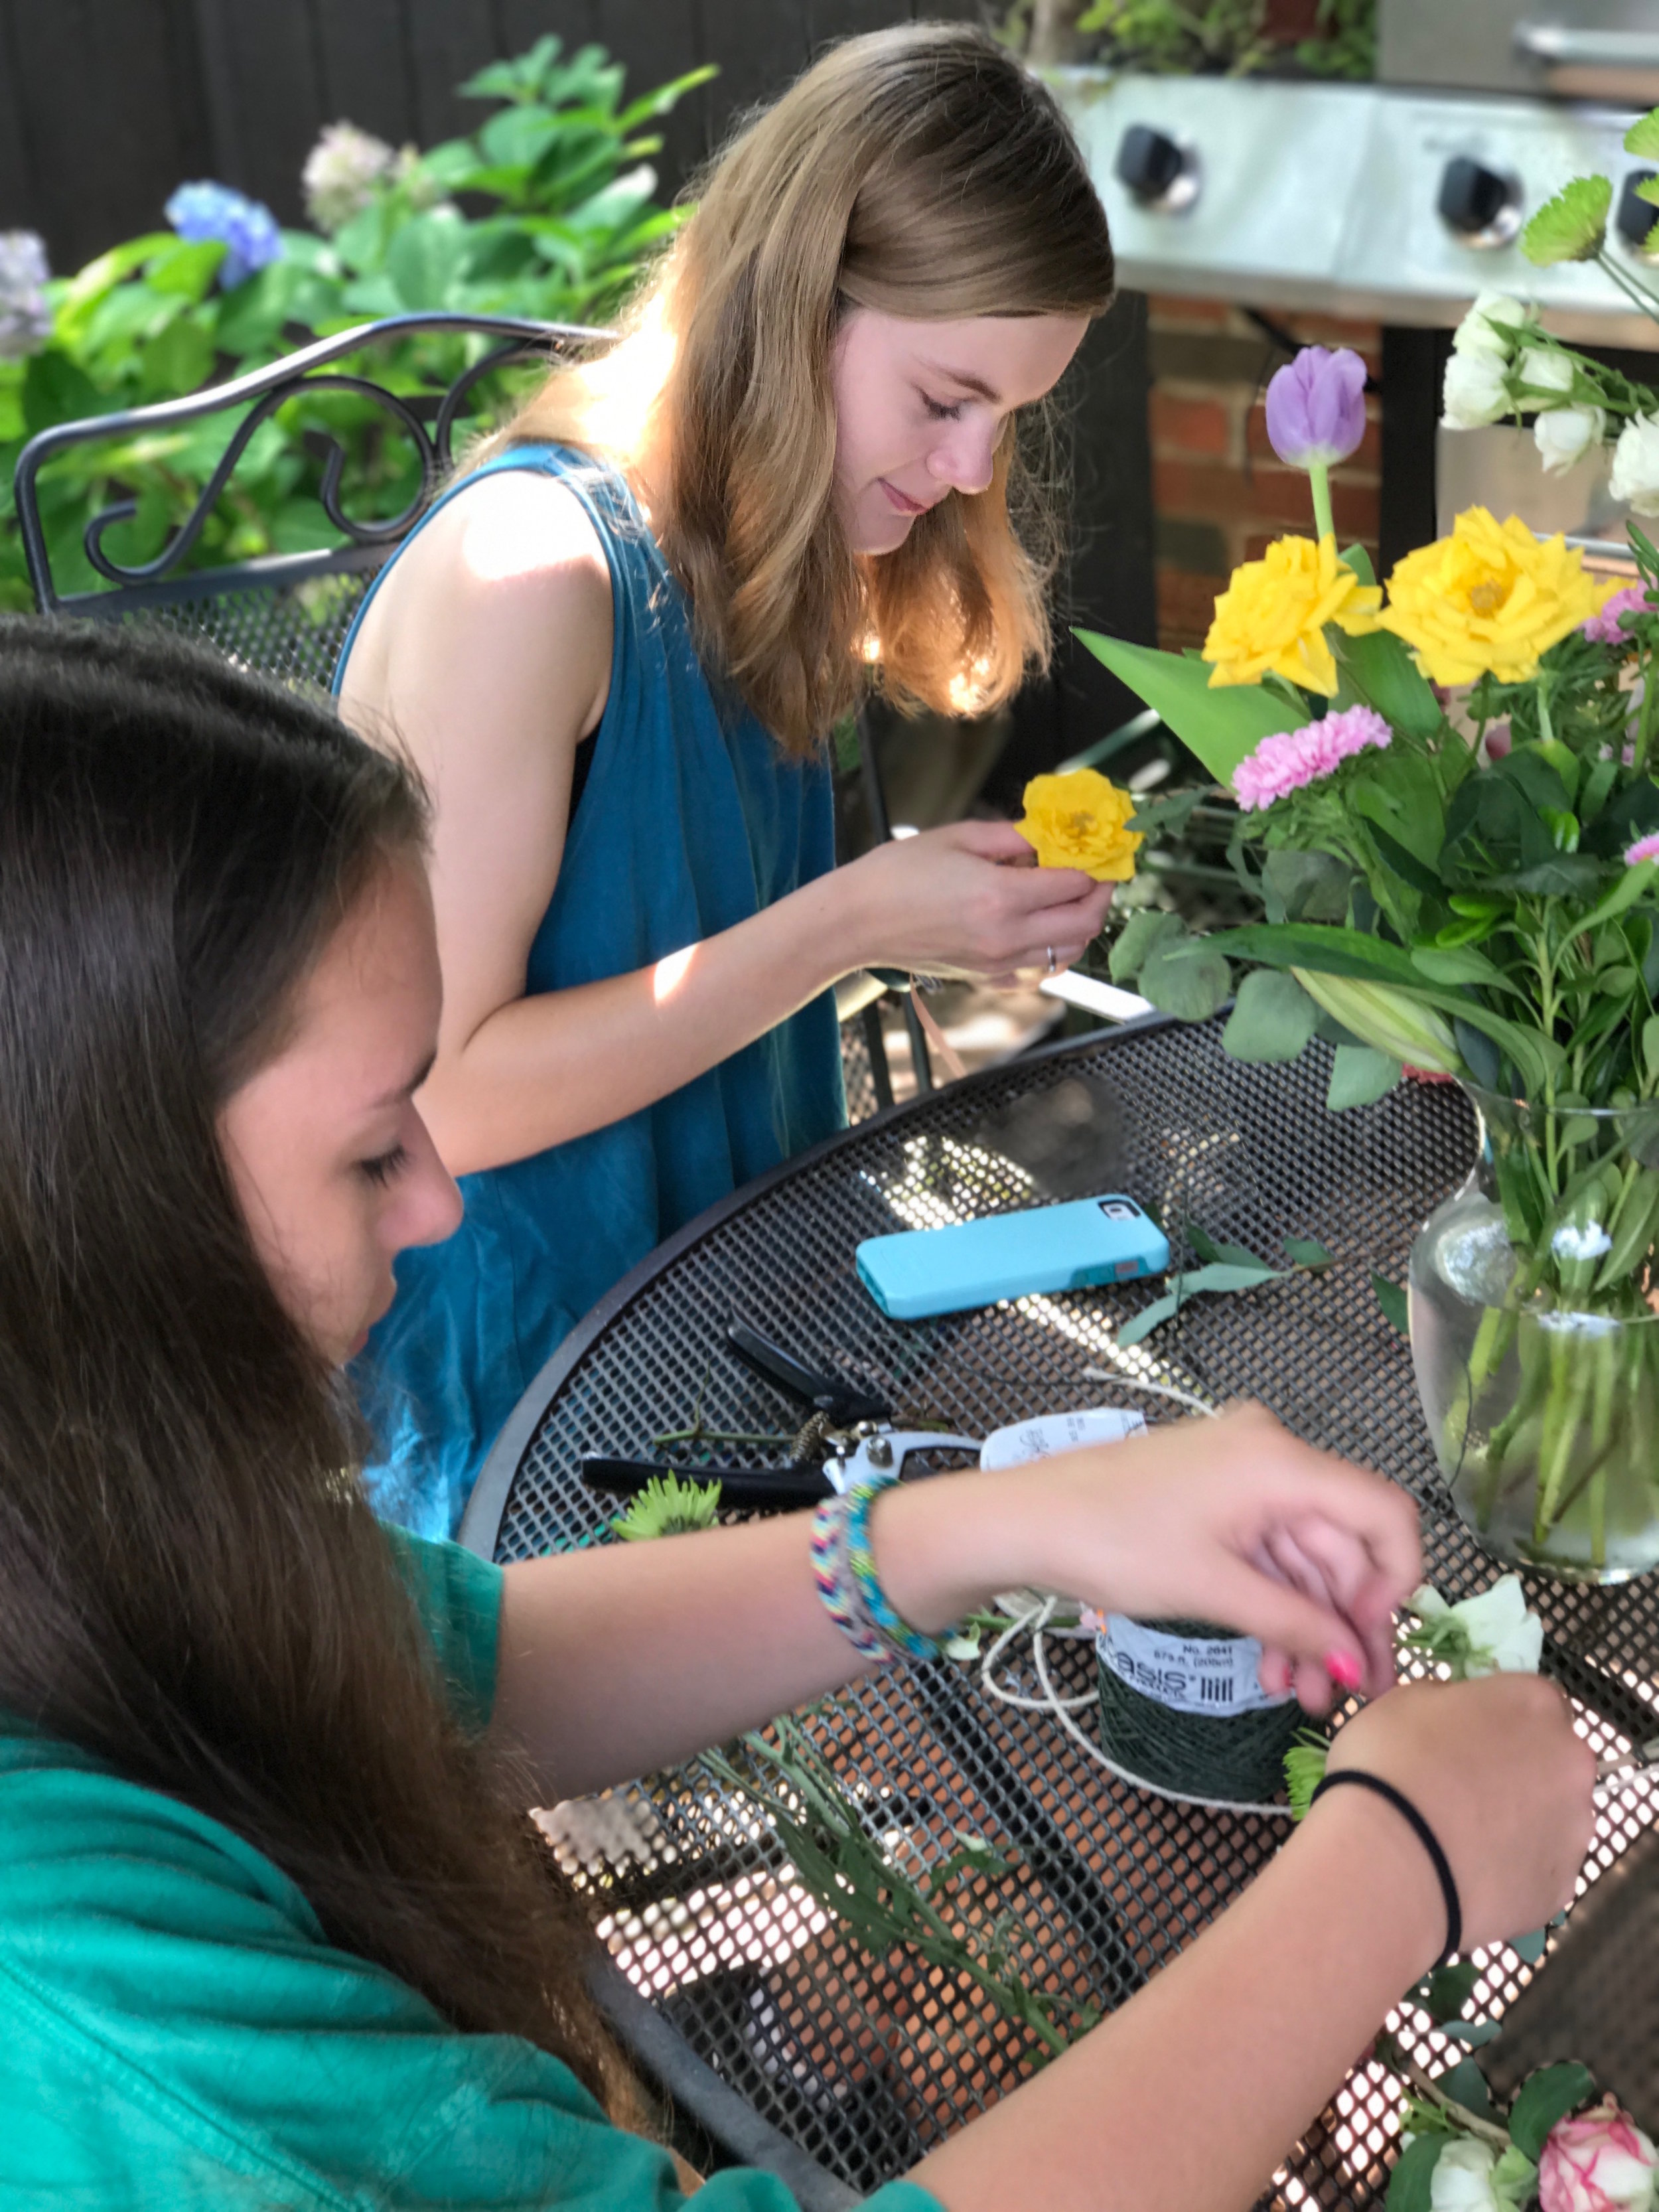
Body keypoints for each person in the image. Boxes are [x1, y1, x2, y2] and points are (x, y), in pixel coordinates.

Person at [0, 620, 1595, 2211]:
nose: (433, 1197)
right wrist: (1392, 1871)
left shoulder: (79, 1518)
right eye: (367, 1151)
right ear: (85, 1218)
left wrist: (1002, 1522)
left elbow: (454, 1662)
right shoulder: (88, 1998)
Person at [334, 22, 1125, 1538]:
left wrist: (922, 914)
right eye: (946, 397)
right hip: (515, 1423)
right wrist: (850, 923)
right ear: (791, 305)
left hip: (734, 1338)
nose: (973, 470)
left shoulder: (766, 563)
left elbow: (679, 967)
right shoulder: (534, 578)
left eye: (1007, 418)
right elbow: (434, 1100)